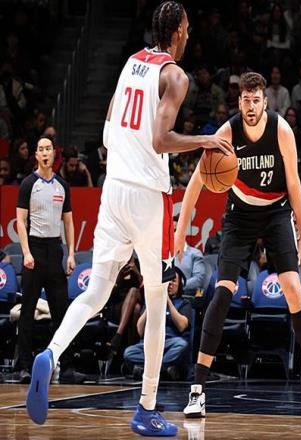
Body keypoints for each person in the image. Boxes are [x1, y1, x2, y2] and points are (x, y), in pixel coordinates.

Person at [26, 2, 232, 437]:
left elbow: (107, 129)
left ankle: (51, 352)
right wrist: (205, 141)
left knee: (97, 291)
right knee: (156, 303)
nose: (189, 34)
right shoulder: (175, 76)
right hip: (147, 197)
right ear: (178, 31)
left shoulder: (131, 63)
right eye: (188, 28)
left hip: (113, 189)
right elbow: (160, 140)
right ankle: (146, 408)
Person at [176, 72, 301, 417]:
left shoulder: (282, 130)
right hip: (240, 216)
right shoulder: (227, 133)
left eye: (256, 100)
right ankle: (198, 390)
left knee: (294, 290)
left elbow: (294, 184)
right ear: (239, 101)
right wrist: (179, 232)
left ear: (265, 102)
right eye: (245, 100)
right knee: (222, 293)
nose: (250, 106)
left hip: (276, 213)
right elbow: (196, 183)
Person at [15, 136, 78, 384]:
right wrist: (26, 252)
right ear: (36, 155)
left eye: (48, 149)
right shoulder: (28, 184)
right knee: (27, 310)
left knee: (62, 311)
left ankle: (67, 365)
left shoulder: (62, 185)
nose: (44, 153)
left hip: (55, 250)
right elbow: (20, 221)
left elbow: (69, 222)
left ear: (54, 154)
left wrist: (71, 253)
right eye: (40, 149)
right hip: (35, 248)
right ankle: (23, 366)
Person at [123, 267, 192, 380]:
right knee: (129, 352)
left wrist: (167, 301)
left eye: (173, 281)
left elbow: (182, 326)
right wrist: (151, 302)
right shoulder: (151, 302)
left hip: (170, 344)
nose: (170, 283)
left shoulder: (184, 303)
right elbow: (140, 330)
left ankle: (148, 370)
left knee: (181, 345)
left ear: (179, 284)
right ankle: (163, 370)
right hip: (151, 343)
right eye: (167, 281)